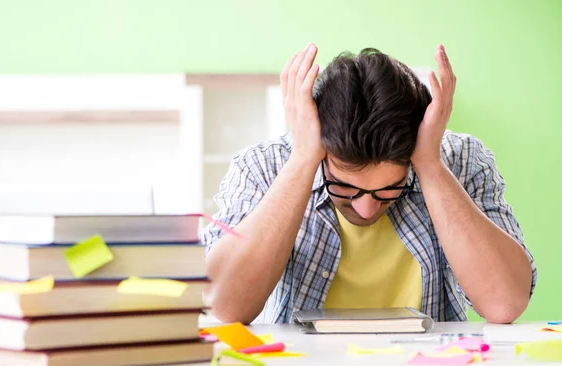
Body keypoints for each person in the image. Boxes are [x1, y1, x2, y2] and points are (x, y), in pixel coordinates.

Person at [201, 43, 536, 325]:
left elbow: (504, 303)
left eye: (390, 188)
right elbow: (225, 307)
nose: (366, 208)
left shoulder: (460, 161)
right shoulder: (263, 167)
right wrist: (304, 158)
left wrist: (429, 165)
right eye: (345, 188)